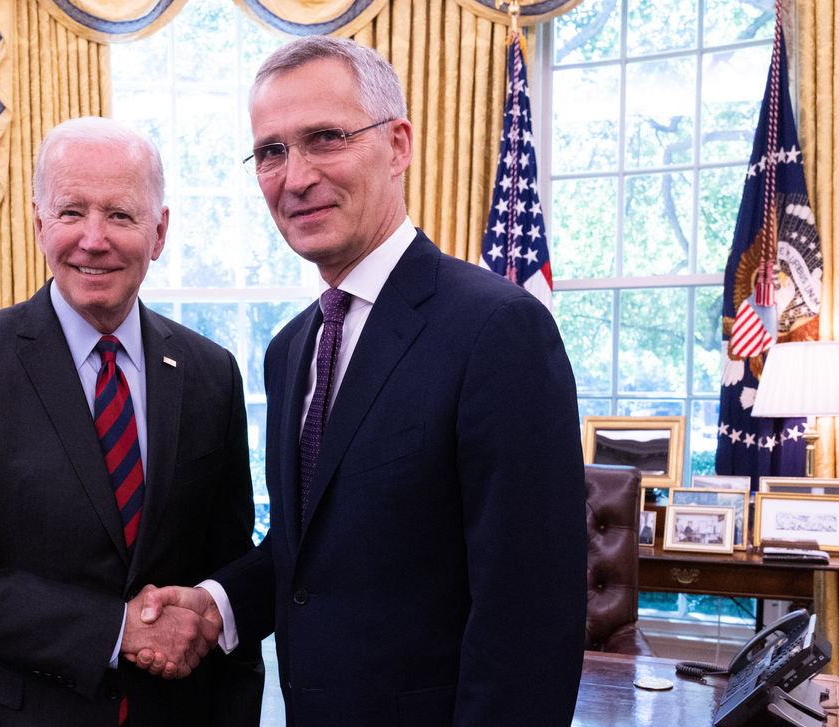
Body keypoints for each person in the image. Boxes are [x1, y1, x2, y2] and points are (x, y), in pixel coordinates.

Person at [134, 36, 586, 726]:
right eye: (271, 152)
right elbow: (317, 555)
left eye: (325, 138)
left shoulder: (497, 329)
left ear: (398, 144)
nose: (296, 176)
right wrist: (218, 605)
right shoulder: (290, 350)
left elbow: (529, 614)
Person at [0, 117, 264, 727]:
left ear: (160, 231)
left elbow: (226, 558)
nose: (93, 240)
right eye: (71, 212)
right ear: (39, 224)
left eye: (120, 215)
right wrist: (116, 631)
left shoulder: (210, 372)